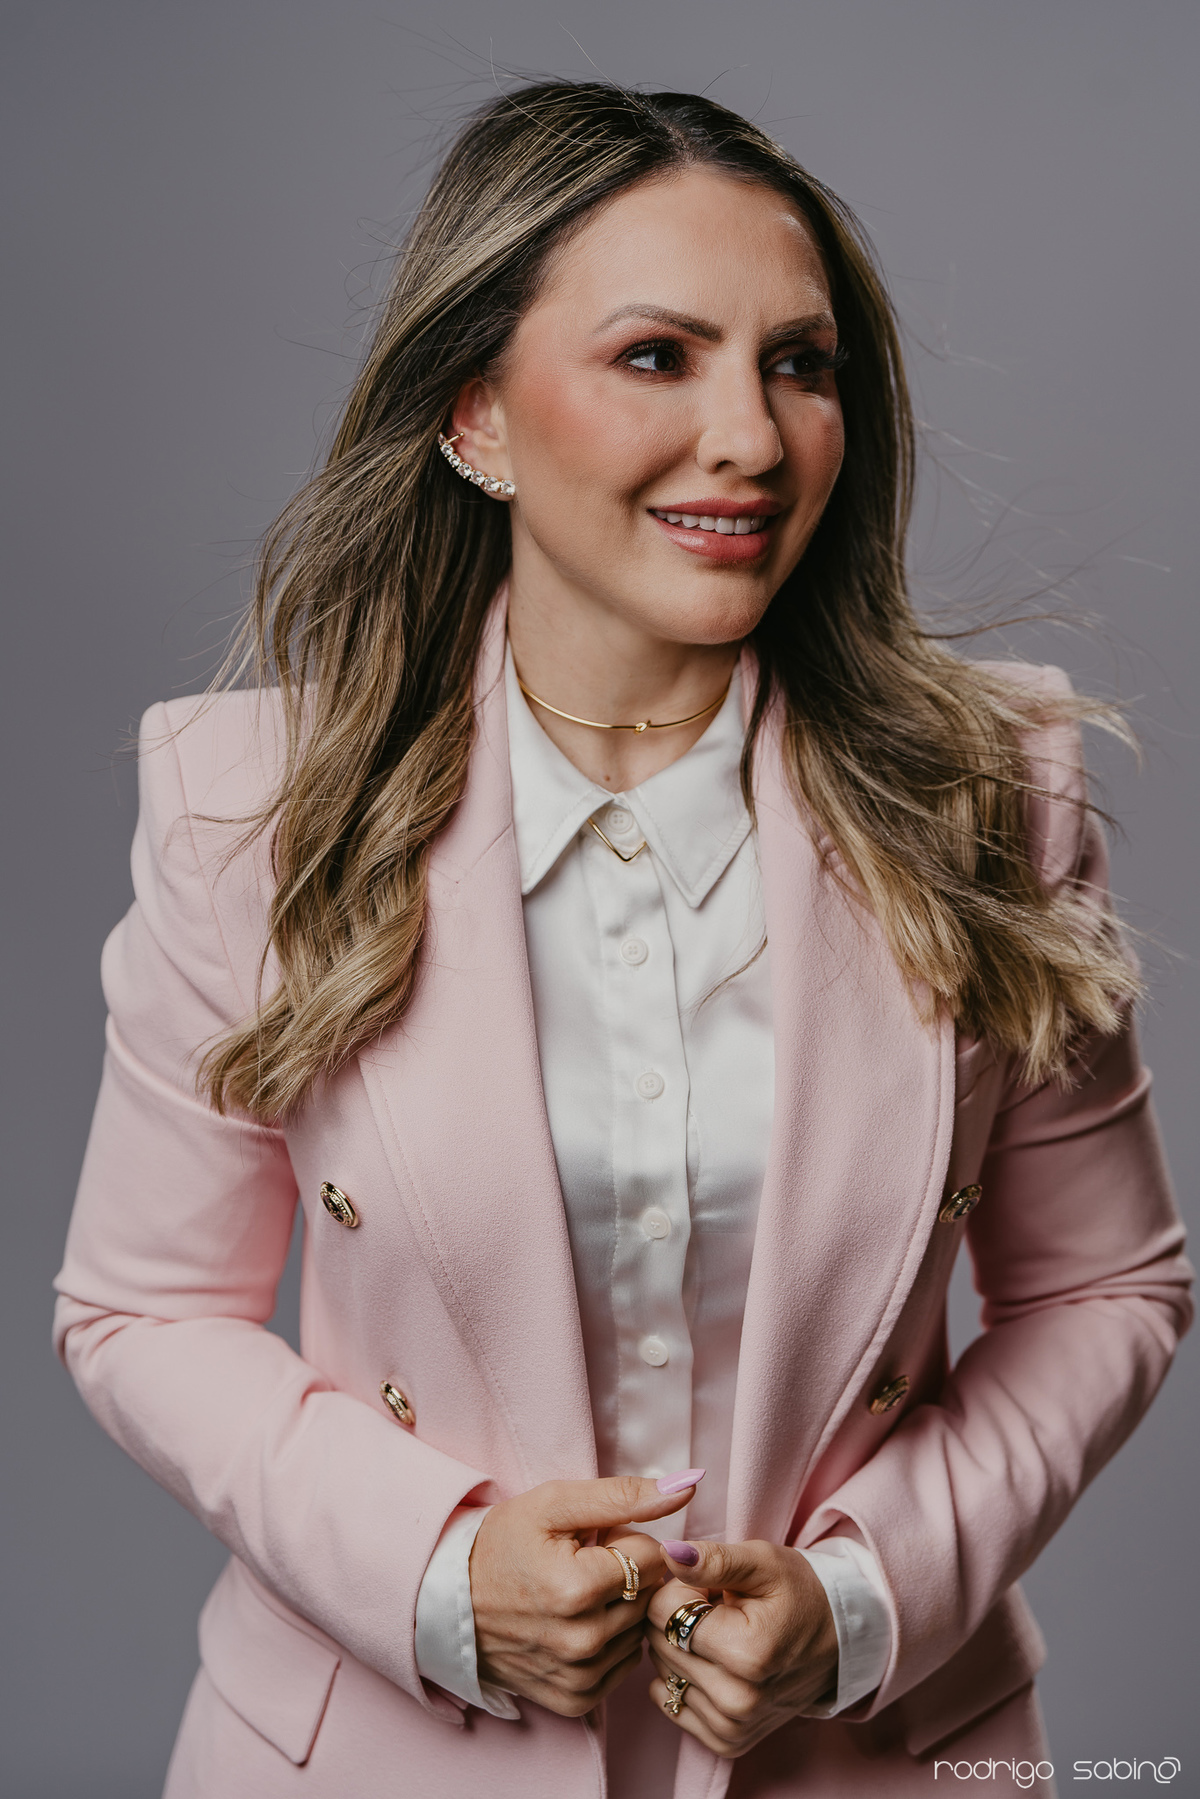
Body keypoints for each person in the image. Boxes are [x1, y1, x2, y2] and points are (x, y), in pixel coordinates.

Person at [54, 80, 1191, 1799]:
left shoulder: (991, 791)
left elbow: (1109, 1285)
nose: (751, 437)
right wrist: (438, 1576)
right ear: (478, 415)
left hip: (872, 1757)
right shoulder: (255, 811)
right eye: (658, 355)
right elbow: (140, 1309)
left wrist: (866, 1597)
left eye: (799, 365)